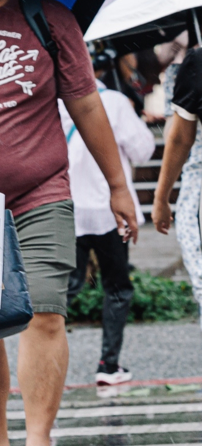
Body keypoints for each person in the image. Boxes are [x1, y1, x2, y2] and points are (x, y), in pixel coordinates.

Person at [0, 0, 139, 446]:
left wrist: (118, 186)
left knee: (47, 312)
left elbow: (86, 103)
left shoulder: (49, 19)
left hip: (42, 190)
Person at [62, 58, 155, 386]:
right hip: (109, 211)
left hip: (68, 211)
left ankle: (42, 355)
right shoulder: (114, 102)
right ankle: (108, 364)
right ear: (100, 70)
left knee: (67, 287)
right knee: (117, 287)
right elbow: (144, 150)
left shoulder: (55, 105)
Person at [154, 48, 202, 323]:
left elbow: (180, 139)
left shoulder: (197, 63)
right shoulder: (196, 64)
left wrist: (162, 198)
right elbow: (181, 140)